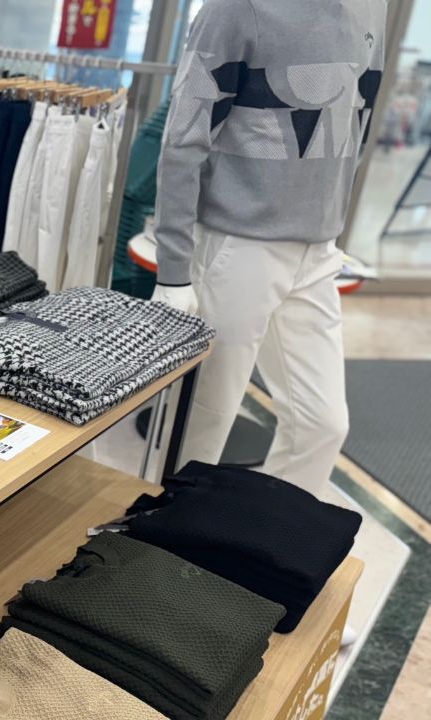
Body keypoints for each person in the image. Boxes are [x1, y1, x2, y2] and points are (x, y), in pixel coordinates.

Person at [152, 0, 385, 497]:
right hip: (239, 244)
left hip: (319, 251)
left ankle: (272, 533)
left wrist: (330, 218)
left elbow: (356, 125)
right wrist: (173, 270)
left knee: (322, 424)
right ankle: (163, 530)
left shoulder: (372, 6)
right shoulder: (236, 7)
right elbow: (183, 140)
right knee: (204, 420)